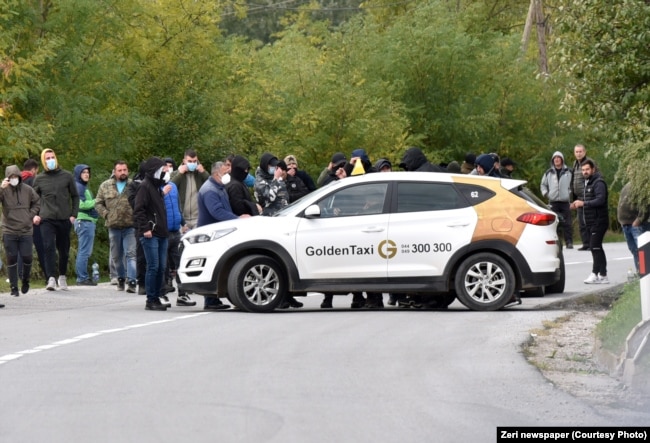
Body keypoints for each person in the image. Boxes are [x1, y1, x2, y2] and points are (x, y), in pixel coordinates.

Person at [198, 161, 251, 310]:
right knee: (211, 265)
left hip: (217, 232)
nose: (228, 175)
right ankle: (210, 301)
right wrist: (237, 219)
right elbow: (217, 212)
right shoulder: (209, 190)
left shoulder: (219, 187)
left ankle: (214, 299)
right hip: (209, 233)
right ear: (216, 174)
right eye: (225, 172)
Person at [32, 149, 79, 291]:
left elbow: (75, 196)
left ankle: (62, 276)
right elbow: (34, 199)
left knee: (64, 249)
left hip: (64, 218)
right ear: (43, 161)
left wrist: (73, 214)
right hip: (47, 219)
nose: (50, 160)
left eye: (52, 157)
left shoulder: (67, 176)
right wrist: (36, 214)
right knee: (48, 247)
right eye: (47, 158)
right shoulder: (39, 179)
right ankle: (51, 277)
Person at [134, 157, 172, 311]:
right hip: (151, 233)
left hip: (161, 232)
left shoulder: (157, 187)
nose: (166, 172)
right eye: (163, 170)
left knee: (161, 267)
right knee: (153, 266)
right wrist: (145, 228)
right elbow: (139, 210)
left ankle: (158, 295)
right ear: (155, 171)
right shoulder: (145, 187)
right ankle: (151, 299)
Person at [95, 161, 137, 293]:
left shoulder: (133, 185)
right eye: (120, 170)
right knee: (117, 257)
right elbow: (98, 203)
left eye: (125, 170)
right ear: (115, 171)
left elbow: (141, 201)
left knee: (131, 254)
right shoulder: (105, 186)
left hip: (130, 226)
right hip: (113, 226)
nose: (123, 172)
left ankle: (131, 281)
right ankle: (120, 278)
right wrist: (106, 214)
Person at [1, 165, 40, 297]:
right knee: (11, 258)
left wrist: (31, 215)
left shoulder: (28, 190)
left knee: (27, 257)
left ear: (19, 176)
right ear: (7, 178)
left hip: (26, 229)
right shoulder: (4, 190)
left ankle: (25, 279)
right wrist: (1, 188)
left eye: (15, 176)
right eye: (10, 177)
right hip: (9, 229)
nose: (13, 179)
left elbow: (37, 202)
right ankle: (13, 287)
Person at [570, 159, 609, 284]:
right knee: (597, 247)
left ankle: (594, 274)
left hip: (599, 221)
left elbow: (600, 200)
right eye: (583, 170)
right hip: (591, 221)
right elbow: (588, 199)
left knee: (594, 247)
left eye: (587, 169)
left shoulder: (599, 183)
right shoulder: (587, 183)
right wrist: (576, 203)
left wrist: (584, 203)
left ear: (593, 169)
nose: (585, 172)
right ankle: (603, 275)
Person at [161, 173, 195, 307]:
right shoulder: (155, 188)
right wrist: (162, 193)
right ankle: (162, 294)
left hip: (176, 231)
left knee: (181, 263)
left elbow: (177, 207)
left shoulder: (173, 186)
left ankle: (183, 294)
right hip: (163, 232)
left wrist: (183, 223)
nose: (167, 172)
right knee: (163, 266)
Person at [540, 151, 573, 249]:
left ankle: (569, 242)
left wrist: (569, 193)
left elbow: (573, 184)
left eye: (559, 158)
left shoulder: (569, 172)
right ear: (553, 160)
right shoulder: (548, 172)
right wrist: (546, 194)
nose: (557, 159)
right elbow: (543, 185)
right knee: (555, 223)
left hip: (565, 202)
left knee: (567, 223)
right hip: (553, 202)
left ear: (562, 159)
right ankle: (558, 243)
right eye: (555, 158)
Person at [73, 164, 99, 285]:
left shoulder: (83, 187)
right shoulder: (78, 187)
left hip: (87, 221)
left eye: (88, 172)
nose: (86, 174)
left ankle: (82, 277)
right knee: (84, 251)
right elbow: (82, 205)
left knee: (85, 251)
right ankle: (82, 278)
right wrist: (97, 200)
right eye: (83, 172)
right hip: (84, 221)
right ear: (78, 174)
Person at [171, 149, 210, 230]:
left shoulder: (200, 174)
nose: (192, 163)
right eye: (190, 161)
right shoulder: (176, 174)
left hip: (198, 217)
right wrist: (180, 174)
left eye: (194, 161)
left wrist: (203, 172)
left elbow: (211, 184)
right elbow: (170, 187)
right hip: (182, 219)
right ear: (184, 161)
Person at [20, 159, 45, 280]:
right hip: (34, 219)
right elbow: (38, 200)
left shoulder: (16, 181)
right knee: (41, 247)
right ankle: (48, 275)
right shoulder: (33, 180)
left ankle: (19, 275)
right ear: (33, 169)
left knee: (21, 248)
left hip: (19, 220)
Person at [617, 182, 650, 275]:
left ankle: (646, 277)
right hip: (626, 224)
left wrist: (639, 220)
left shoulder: (642, 184)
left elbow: (646, 206)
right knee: (635, 251)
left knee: (643, 251)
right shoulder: (627, 185)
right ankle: (640, 274)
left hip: (636, 225)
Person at [571, 144, 590, 250]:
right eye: (576, 152)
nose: (578, 153)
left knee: (588, 221)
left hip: (587, 196)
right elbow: (573, 181)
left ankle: (591, 243)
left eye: (580, 151)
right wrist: (573, 199)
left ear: (584, 152)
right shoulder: (575, 164)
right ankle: (585, 243)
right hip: (578, 197)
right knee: (581, 222)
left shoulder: (589, 163)